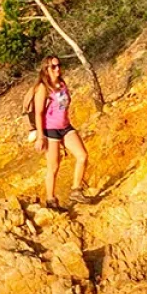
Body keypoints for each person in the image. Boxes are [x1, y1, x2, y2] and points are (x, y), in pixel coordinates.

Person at [25, 55, 90, 207]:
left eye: (58, 65)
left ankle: (76, 190)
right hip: (50, 130)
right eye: (53, 67)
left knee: (82, 155)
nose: (57, 68)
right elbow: (39, 113)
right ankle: (50, 200)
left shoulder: (62, 84)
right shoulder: (42, 88)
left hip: (65, 127)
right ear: (46, 69)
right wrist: (40, 137)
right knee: (53, 167)